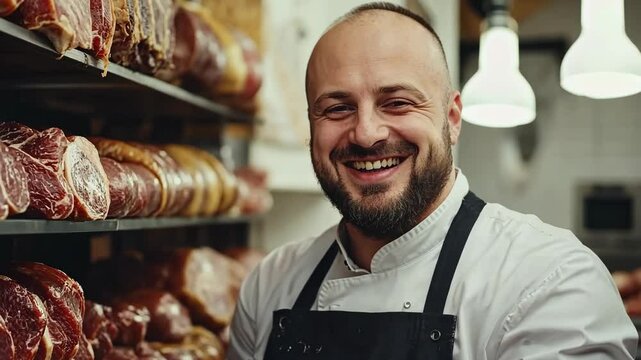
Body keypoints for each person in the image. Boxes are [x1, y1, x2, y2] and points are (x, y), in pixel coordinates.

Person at [228, 2, 638, 359]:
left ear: (452, 119)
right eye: (337, 108)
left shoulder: (550, 281)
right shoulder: (270, 285)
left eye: (398, 103)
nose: (367, 133)